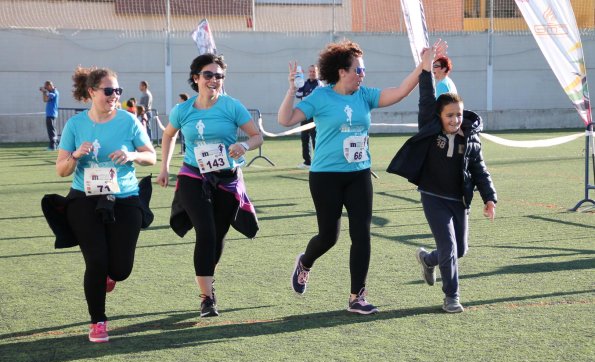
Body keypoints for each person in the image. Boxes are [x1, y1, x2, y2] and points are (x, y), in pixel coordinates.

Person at [277, 39, 446, 315]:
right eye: (358, 70)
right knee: (329, 237)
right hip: (325, 177)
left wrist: (422, 67)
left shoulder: (364, 95)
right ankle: (305, 263)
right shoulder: (320, 97)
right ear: (342, 71)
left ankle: (357, 297)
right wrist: (291, 90)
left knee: (362, 235)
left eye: (363, 70)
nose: (362, 74)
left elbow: (400, 92)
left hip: (359, 175)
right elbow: (286, 119)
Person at [43, 66, 156, 342]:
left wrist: (131, 155)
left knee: (120, 268)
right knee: (96, 260)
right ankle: (98, 322)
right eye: (108, 91)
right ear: (92, 92)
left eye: (117, 90)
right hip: (85, 197)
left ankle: (110, 275)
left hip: (125, 197)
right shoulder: (75, 125)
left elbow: (151, 156)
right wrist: (76, 156)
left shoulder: (129, 121)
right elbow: (61, 170)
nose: (114, 95)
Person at [386, 46, 497, 313]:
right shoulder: (430, 126)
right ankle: (452, 297)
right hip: (433, 197)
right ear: (439, 117)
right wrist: (425, 67)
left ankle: (427, 259)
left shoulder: (470, 137)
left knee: (459, 250)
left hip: (459, 200)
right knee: (448, 246)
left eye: (458, 114)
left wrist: (490, 197)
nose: (455, 120)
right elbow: (426, 97)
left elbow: (479, 168)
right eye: (449, 115)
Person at [156, 53, 263, 318]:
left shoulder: (232, 106)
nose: (214, 80)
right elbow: (168, 135)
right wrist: (164, 167)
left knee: (217, 236)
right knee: (205, 231)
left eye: (219, 76)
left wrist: (244, 145)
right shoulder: (183, 110)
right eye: (208, 74)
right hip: (194, 177)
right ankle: (206, 297)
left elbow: (256, 136)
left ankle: (208, 278)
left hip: (226, 180)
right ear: (196, 78)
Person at [295, 64, 324, 169]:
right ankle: (307, 161)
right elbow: (298, 95)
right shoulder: (305, 83)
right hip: (304, 115)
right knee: (304, 138)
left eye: (314, 71)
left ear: (317, 72)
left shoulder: (319, 84)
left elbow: (315, 98)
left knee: (316, 138)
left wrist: (306, 96)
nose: (312, 73)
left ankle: (319, 161)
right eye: (310, 71)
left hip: (315, 116)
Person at [40, 81, 59, 150]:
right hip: (51, 114)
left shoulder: (54, 93)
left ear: (50, 86)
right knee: (52, 129)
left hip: (51, 114)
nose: (46, 89)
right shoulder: (53, 92)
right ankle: (56, 144)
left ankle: (53, 146)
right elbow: (45, 99)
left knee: (51, 130)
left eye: (46, 87)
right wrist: (44, 92)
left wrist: (44, 92)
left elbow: (45, 99)